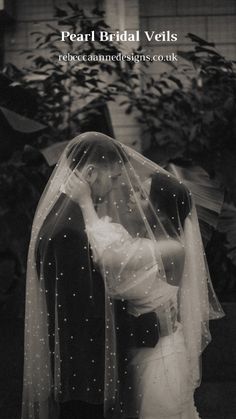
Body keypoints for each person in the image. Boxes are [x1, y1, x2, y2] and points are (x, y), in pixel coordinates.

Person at [21, 132, 224, 419]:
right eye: (115, 178)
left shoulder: (168, 248)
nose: (126, 190)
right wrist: (150, 324)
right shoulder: (70, 230)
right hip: (100, 363)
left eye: (141, 194)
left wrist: (86, 205)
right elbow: (85, 312)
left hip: (153, 355)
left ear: (161, 211)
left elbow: (110, 258)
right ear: (91, 173)